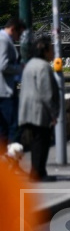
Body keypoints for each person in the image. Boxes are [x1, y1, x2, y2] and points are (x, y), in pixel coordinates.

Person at [18, 36, 59, 182]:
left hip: (27, 110)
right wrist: (53, 113)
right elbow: (46, 92)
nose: (53, 51)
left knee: (37, 141)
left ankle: (38, 171)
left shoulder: (30, 64)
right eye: (51, 49)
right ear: (45, 50)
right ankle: (38, 173)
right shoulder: (43, 67)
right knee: (42, 142)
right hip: (39, 111)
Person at [0, 17, 25, 154]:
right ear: (13, 29)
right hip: (5, 91)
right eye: (19, 34)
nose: (18, 38)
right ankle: (10, 161)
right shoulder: (3, 40)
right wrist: (20, 68)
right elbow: (3, 65)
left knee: (4, 128)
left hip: (5, 90)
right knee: (13, 127)